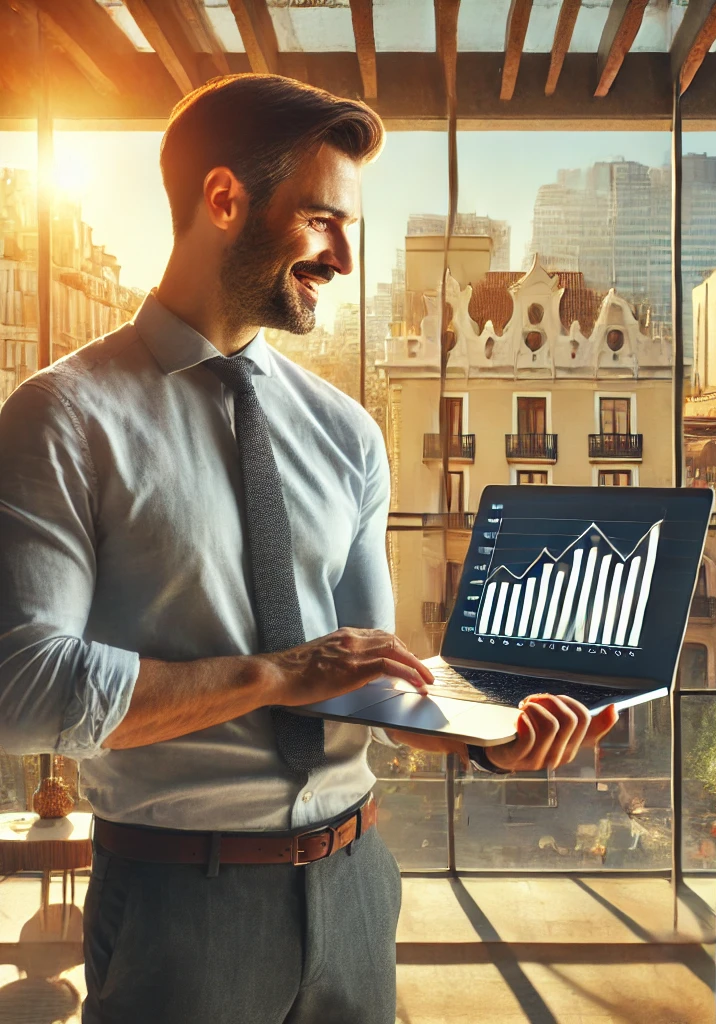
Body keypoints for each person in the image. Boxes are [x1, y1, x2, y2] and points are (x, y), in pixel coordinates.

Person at [0, 74, 617, 1024]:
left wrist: (498, 738)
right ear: (222, 199)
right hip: (180, 903)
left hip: (359, 885)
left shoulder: (347, 432)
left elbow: (372, 672)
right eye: (323, 220)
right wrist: (277, 676)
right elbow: (23, 690)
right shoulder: (62, 417)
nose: (341, 257)